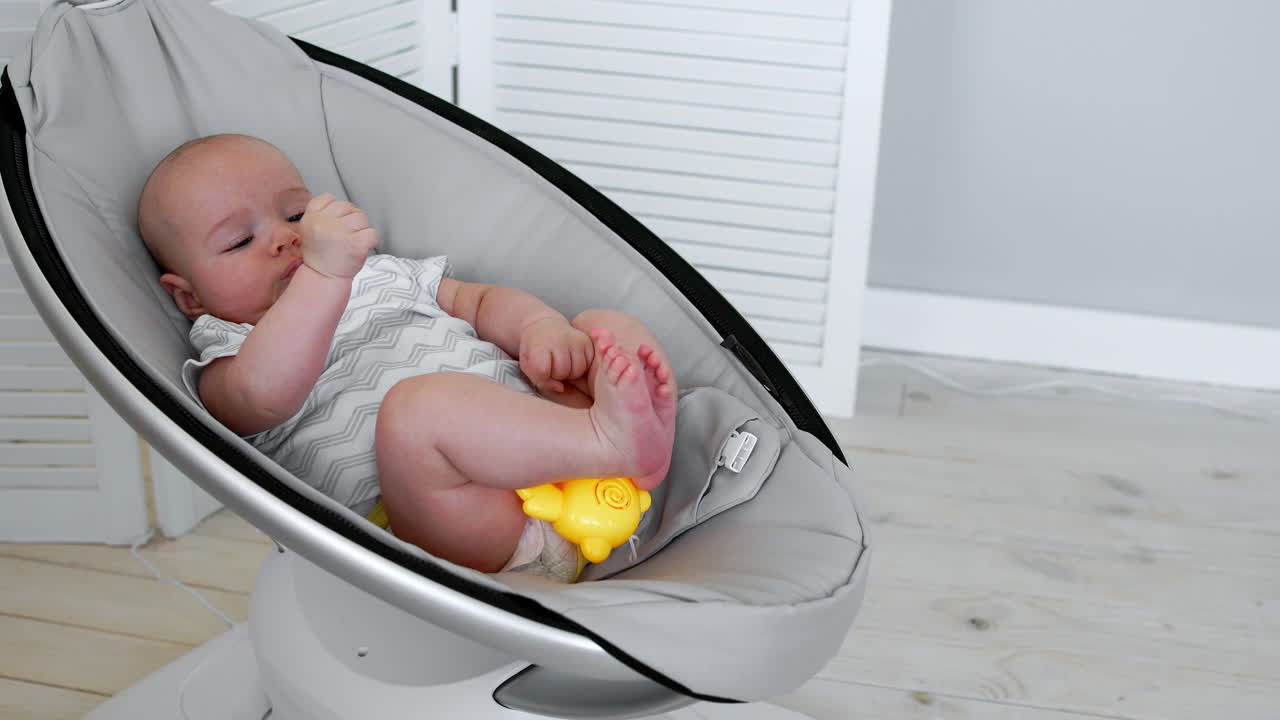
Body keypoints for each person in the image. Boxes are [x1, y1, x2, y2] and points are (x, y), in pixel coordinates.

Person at [137, 133, 677, 582]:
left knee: (601, 327)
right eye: (238, 241)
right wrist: (326, 276)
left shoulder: (382, 273)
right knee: (416, 411)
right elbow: (261, 396)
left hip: (562, 455)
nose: (284, 237)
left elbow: (479, 301)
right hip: (473, 524)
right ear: (190, 297)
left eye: (297, 212)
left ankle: (626, 436)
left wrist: (542, 329)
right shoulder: (229, 351)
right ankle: (613, 442)